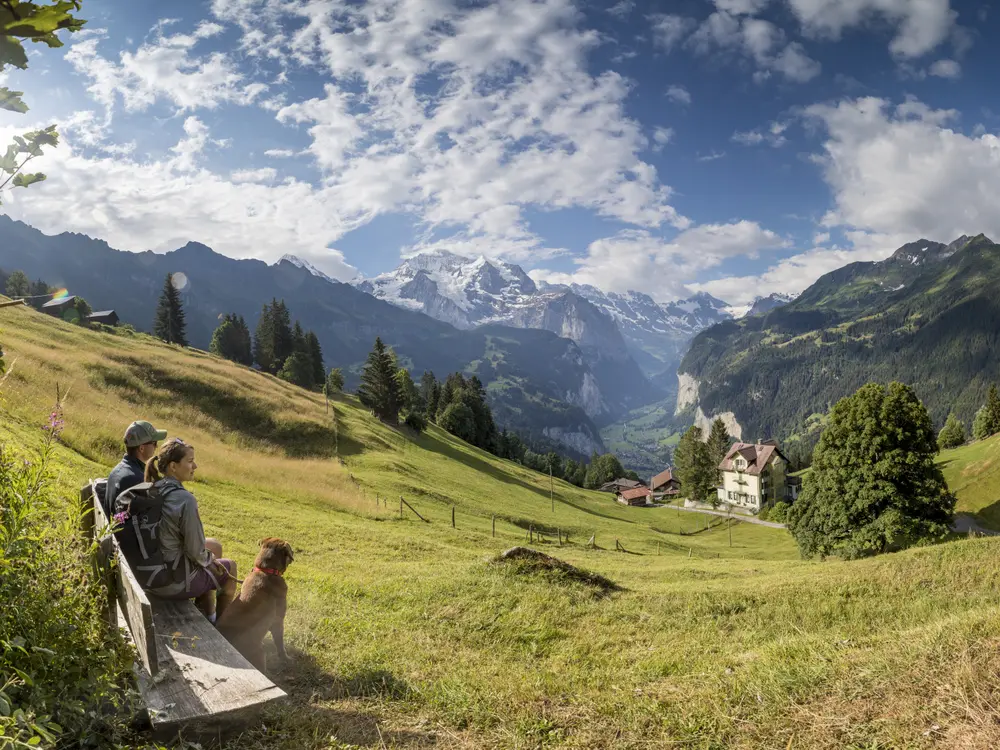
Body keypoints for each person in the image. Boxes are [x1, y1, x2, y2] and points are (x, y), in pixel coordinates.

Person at [143, 438, 237, 623]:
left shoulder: (152, 488)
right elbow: (196, 552)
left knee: (211, 554)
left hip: (150, 574)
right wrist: (210, 559)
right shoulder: (185, 499)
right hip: (171, 582)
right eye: (190, 461)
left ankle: (208, 616)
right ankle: (222, 630)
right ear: (173, 466)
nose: (195, 466)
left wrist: (207, 558)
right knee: (230, 567)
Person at [103, 420, 167, 516]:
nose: (156, 446)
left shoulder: (119, 469)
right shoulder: (137, 480)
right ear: (141, 448)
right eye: (154, 443)